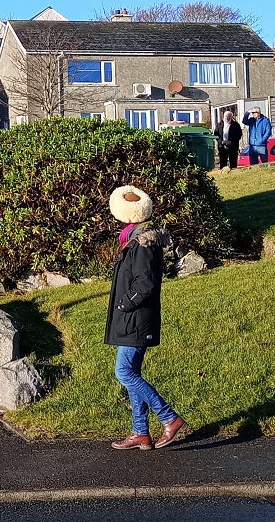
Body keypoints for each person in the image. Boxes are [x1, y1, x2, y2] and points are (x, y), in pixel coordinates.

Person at [105, 185, 186, 451]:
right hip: (132, 318)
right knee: (132, 373)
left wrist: (124, 304)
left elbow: (145, 283)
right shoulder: (133, 240)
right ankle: (140, 432)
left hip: (136, 318)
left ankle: (169, 417)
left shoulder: (142, 244)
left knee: (124, 372)